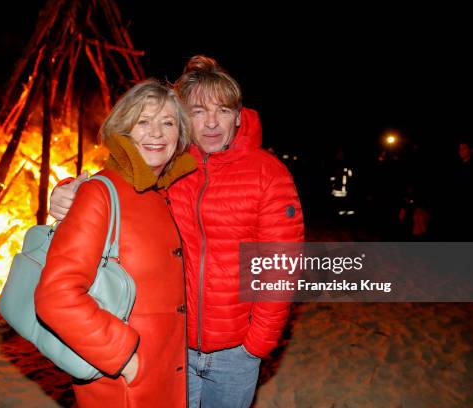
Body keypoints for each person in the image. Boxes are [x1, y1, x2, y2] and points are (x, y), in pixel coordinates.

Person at [51, 56, 304, 407]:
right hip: (172, 348)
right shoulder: (170, 165)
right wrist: (67, 189)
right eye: (199, 111)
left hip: (235, 354)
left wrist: (256, 345)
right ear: (186, 118)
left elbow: (281, 269)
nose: (212, 123)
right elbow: (116, 181)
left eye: (223, 111)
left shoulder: (269, 174)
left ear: (239, 115)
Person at [35, 79, 196, 407]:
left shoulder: (162, 190)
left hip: (166, 373)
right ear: (123, 129)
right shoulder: (101, 194)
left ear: (179, 134)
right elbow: (56, 295)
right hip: (124, 385)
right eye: (143, 121)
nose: (157, 133)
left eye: (168, 123)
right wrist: (123, 357)